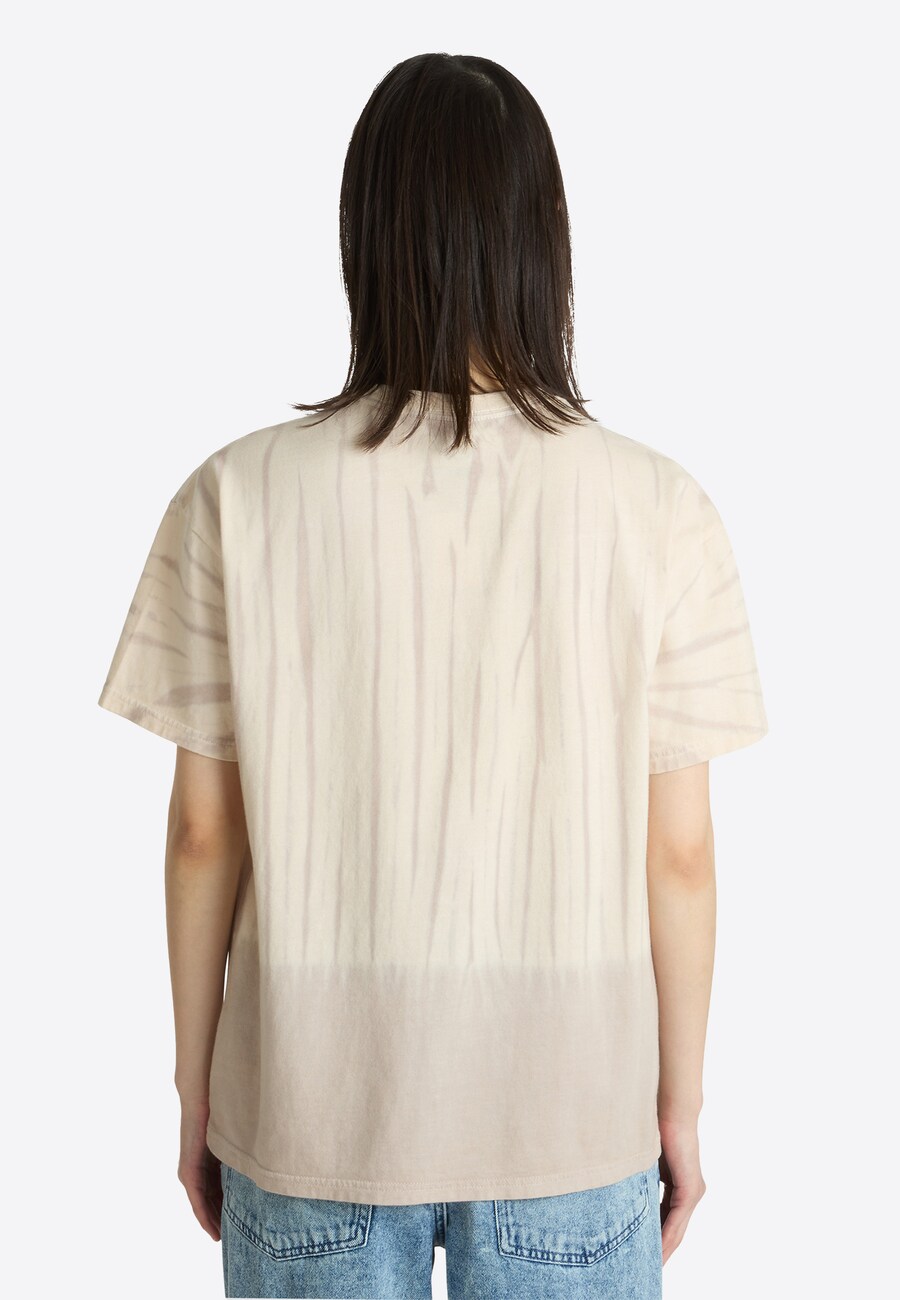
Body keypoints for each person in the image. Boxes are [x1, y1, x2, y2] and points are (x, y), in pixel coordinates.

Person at [97, 52, 768, 1300]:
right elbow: (679, 854)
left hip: (314, 1103)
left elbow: (202, 834)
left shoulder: (235, 497)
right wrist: (679, 1106)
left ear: (364, 237)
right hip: (572, 1109)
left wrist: (197, 1088)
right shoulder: (661, 508)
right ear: (544, 241)